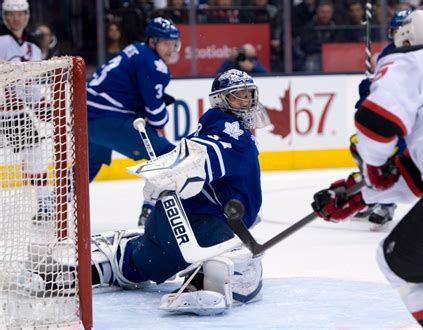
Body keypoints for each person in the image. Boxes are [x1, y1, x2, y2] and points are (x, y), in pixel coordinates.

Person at [35, 69, 268, 316]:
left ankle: (90, 270)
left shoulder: (216, 127)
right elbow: (208, 153)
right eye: (238, 96)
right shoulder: (232, 131)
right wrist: (184, 172)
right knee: (228, 252)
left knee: (141, 261)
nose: (246, 101)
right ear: (221, 100)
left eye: (249, 94)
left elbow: (202, 151)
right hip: (202, 227)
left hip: (172, 224)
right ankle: (203, 279)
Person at [312, 10, 423, 329]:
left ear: (406, 38)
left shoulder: (407, 61)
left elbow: (376, 122)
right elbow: (419, 172)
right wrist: (360, 196)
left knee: (397, 264)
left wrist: (373, 169)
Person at [87, 17, 179, 226]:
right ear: (152, 42)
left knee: (89, 165)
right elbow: (157, 117)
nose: (171, 48)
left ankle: (58, 206)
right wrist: (160, 110)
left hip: (85, 117)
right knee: (169, 159)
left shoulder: (135, 50)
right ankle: (151, 211)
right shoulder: (154, 63)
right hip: (108, 119)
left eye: (173, 43)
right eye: (165, 43)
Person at [353, 9, 412, 231]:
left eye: (403, 31)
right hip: (395, 118)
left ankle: (387, 202)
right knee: (365, 149)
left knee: (401, 160)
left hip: (416, 122)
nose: (399, 36)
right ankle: (379, 199)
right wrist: (369, 93)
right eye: (395, 31)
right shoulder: (388, 53)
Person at [0, 0, 52, 222]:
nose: (16, 18)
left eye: (20, 14)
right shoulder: (1, 42)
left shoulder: (34, 50)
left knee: (35, 155)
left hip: (15, 115)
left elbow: (28, 87)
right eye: (11, 14)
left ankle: (46, 204)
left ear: (27, 15)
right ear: (4, 16)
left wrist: (43, 107)